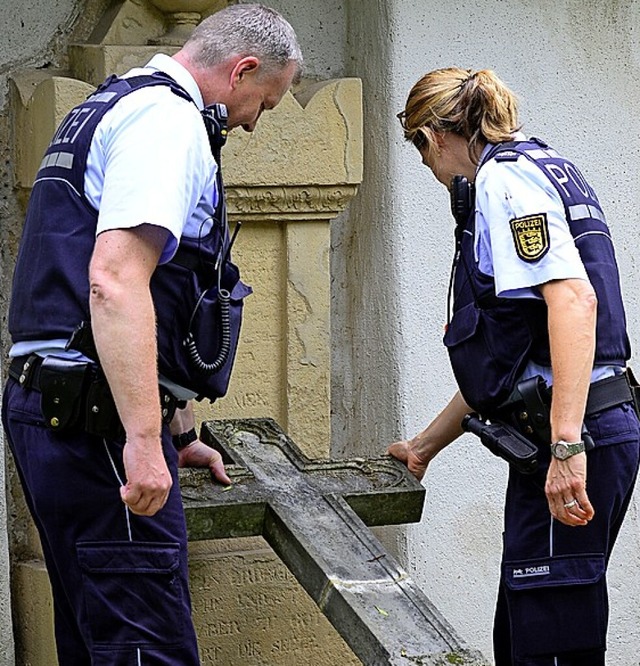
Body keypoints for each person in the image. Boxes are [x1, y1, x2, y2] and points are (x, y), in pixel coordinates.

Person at [2, 4, 302, 664]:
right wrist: (141, 438)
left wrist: (178, 425)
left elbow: (162, 293)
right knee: (146, 646)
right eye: (265, 103)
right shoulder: (169, 124)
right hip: (96, 424)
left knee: (98, 639)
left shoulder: (110, 107)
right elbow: (115, 281)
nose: (253, 120)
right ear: (243, 69)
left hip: (56, 408)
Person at [390, 67, 640, 666]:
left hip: (573, 441)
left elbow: (575, 303)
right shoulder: (543, 167)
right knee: (526, 634)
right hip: (575, 435)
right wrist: (424, 446)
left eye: (421, 151)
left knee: (550, 648)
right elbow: (509, 360)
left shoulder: (505, 184)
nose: (428, 169)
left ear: (433, 137)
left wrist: (564, 447)